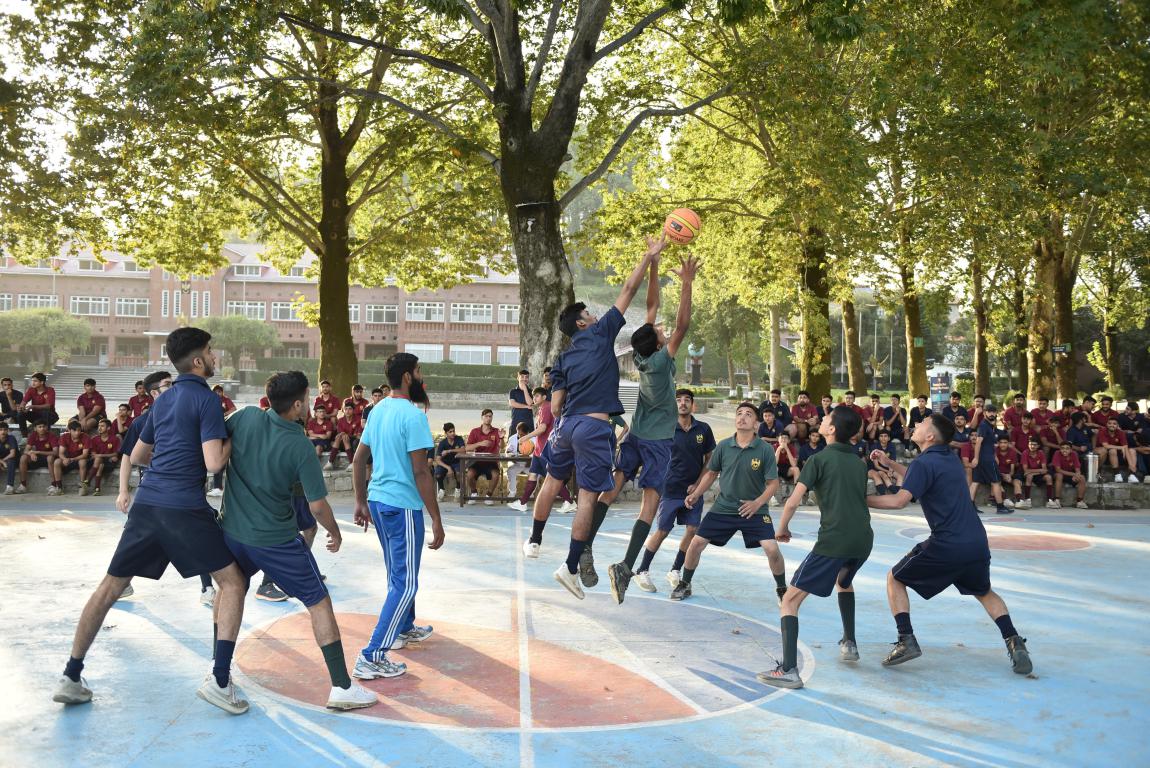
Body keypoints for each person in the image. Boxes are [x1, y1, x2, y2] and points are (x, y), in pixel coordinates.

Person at [52, 327, 251, 714]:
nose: (215, 357)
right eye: (211, 351)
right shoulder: (207, 401)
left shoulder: (162, 400)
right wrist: (234, 434)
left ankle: (71, 675)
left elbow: (141, 456)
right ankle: (220, 680)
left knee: (110, 587)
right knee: (233, 583)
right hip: (184, 508)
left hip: (147, 504)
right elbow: (214, 463)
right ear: (198, 361)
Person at [218, 371, 377, 710]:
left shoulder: (244, 417)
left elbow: (215, 442)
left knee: (230, 591)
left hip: (231, 532)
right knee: (319, 602)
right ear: (296, 405)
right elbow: (317, 506)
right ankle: (341, 686)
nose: (311, 402)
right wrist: (335, 531)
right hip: (275, 540)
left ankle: (218, 675)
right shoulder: (300, 446)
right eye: (307, 397)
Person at [536, 233, 665, 600]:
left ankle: (541, 540)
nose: (595, 315)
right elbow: (629, 290)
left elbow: (556, 406)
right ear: (582, 323)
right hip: (601, 427)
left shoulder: (565, 357)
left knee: (561, 484)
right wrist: (649, 257)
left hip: (571, 426)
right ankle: (574, 562)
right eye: (589, 314)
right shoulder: (604, 334)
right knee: (591, 497)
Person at [865, 414, 1033, 676]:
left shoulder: (923, 462)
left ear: (930, 436)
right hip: (976, 541)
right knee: (984, 592)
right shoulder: (950, 459)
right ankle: (1015, 642)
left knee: (894, 578)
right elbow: (917, 476)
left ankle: (906, 639)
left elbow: (899, 501)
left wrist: (859, 499)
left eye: (922, 424)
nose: (916, 425)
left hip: (947, 544)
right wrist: (890, 464)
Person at [602, 252, 697, 604]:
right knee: (649, 505)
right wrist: (686, 283)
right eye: (660, 332)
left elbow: (651, 306)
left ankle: (584, 547)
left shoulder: (642, 355)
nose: (662, 328)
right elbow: (683, 325)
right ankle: (626, 566)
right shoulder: (659, 360)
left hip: (636, 434)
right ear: (659, 344)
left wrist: (655, 264)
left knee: (612, 489)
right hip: (657, 441)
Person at [758, 405, 872, 689]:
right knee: (844, 582)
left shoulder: (818, 459)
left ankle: (789, 670)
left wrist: (782, 528)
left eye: (826, 418)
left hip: (834, 540)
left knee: (789, 601)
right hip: (863, 540)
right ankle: (850, 642)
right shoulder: (859, 463)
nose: (821, 419)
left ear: (831, 429)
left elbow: (793, 501)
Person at [350, 352, 445, 681]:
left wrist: (360, 501)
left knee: (397, 572)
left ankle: (403, 627)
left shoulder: (377, 410)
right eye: (418, 371)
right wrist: (436, 518)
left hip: (378, 502)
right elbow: (421, 472)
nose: (421, 376)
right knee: (405, 583)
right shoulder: (413, 416)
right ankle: (372, 655)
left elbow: (358, 460)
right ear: (407, 377)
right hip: (401, 505)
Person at [674, 401, 788, 604]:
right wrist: (697, 493)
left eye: (748, 414)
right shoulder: (724, 446)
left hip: (754, 510)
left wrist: (757, 503)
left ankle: (782, 589)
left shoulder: (764, 449)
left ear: (756, 424)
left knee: (772, 549)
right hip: (723, 508)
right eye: (739, 413)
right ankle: (685, 583)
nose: (742, 417)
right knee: (696, 543)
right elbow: (711, 473)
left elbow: (773, 484)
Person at [630, 388, 716, 592]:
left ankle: (675, 570)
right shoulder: (664, 428)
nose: (682, 403)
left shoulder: (703, 429)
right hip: (668, 489)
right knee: (662, 531)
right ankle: (642, 570)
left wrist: (698, 484)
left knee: (692, 530)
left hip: (693, 491)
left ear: (693, 405)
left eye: (687, 400)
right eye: (678, 400)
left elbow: (710, 459)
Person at [512, 387, 576, 516]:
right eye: (533, 396)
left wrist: (525, 437)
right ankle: (523, 503)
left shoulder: (546, 407)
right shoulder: (541, 409)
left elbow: (542, 429)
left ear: (544, 397)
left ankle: (569, 502)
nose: (534, 398)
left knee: (552, 478)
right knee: (533, 475)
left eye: (537, 396)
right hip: (539, 450)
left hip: (546, 449)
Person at [969, 404, 1013, 514]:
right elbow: (978, 442)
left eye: (993, 412)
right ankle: (1000, 507)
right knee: (996, 482)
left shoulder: (989, 426)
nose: (992, 414)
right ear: (984, 413)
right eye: (989, 412)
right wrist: (976, 458)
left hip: (986, 458)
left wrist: (994, 456)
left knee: (976, 481)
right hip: (986, 459)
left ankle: (969, 507)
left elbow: (989, 444)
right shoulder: (984, 426)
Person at [464, 409, 502, 505]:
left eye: (490, 416)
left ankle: (489, 495)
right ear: (482, 417)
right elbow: (467, 448)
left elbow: (502, 447)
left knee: (496, 475)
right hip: (477, 461)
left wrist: (501, 438)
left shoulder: (496, 431)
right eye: (486, 416)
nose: (488, 418)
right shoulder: (475, 431)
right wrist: (480, 443)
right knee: (469, 475)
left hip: (491, 462)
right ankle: (474, 493)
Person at [17, 421, 59, 495]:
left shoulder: (51, 436)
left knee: (50, 458)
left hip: (49, 458)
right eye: (40, 427)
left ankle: (54, 484)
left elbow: (55, 452)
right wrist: (31, 453)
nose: (42, 428)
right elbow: (25, 450)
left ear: (46, 427)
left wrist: (38, 452)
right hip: (37, 458)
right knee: (23, 457)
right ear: (35, 428)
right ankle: (23, 485)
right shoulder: (33, 435)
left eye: (44, 426)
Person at [1095, 416, 1140, 483]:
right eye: (1109, 423)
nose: (1112, 425)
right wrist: (1121, 447)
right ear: (1106, 424)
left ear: (1117, 425)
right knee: (1112, 450)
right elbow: (1106, 446)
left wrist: (1131, 464)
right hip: (1104, 454)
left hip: (1118, 455)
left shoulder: (1121, 433)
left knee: (1132, 451)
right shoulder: (1102, 431)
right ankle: (1117, 474)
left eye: (1114, 424)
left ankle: (1132, 475)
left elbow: (1125, 447)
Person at [55, 420, 91, 495]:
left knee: (82, 462)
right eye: (74, 431)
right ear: (69, 430)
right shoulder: (64, 437)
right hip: (68, 459)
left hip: (79, 459)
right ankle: (59, 487)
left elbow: (85, 455)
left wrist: (73, 459)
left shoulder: (85, 437)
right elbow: (60, 453)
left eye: (79, 430)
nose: (77, 433)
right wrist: (64, 459)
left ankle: (82, 486)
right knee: (57, 462)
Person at [87, 418, 121, 496]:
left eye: (102, 426)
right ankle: (97, 489)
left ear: (108, 428)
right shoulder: (94, 439)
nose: (99, 428)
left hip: (109, 463)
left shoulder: (115, 439)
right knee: (100, 463)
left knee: (99, 461)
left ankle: (88, 481)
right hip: (97, 463)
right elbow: (93, 454)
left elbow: (115, 454)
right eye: (99, 426)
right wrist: (104, 456)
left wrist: (101, 455)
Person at [1050, 441, 1088, 509]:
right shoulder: (1057, 453)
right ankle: (1057, 500)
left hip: (1069, 474)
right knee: (1059, 475)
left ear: (1071, 450)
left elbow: (1077, 469)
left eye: (1067, 448)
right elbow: (1058, 470)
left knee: (1082, 477)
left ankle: (1080, 501)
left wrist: (1077, 475)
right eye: (1062, 448)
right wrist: (1074, 474)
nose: (1064, 450)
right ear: (1060, 449)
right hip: (1057, 474)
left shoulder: (1074, 454)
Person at [433, 423, 465, 501]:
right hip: (445, 464)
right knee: (438, 474)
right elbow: (437, 459)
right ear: (446, 433)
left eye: (454, 431)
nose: (453, 433)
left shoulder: (459, 439)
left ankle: (458, 489)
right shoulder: (442, 443)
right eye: (450, 432)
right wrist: (448, 468)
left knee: (459, 473)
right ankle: (441, 490)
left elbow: (463, 450)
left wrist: (449, 451)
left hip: (457, 462)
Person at [1019, 437, 1053, 509]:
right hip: (1028, 475)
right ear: (1028, 445)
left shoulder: (1041, 453)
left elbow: (1044, 469)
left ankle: (1049, 501)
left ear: (1038, 446)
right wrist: (1039, 470)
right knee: (1029, 476)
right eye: (1030, 444)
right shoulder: (1025, 453)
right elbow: (1026, 470)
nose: (1032, 446)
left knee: (1049, 477)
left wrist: (1033, 472)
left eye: (1034, 445)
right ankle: (1027, 500)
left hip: (1038, 474)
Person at [329, 401, 362, 470]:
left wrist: (346, 434)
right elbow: (340, 433)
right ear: (343, 410)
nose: (347, 411)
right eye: (346, 409)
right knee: (339, 437)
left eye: (350, 409)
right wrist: (344, 434)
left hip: (354, 442)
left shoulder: (358, 420)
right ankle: (330, 462)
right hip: (344, 442)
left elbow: (358, 435)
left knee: (344, 437)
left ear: (353, 410)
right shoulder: (341, 420)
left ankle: (352, 463)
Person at [994, 435, 1023, 507]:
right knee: (996, 481)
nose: (1003, 445)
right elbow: (993, 468)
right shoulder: (994, 451)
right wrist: (1003, 475)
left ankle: (1019, 501)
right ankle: (1005, 500)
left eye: (1005, 442)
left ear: (1008, 443)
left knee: (1017, 481)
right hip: (998, 473)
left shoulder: (1012, 452)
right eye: (1001, 443)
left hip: (1009, 474)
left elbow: (1012, 470)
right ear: (998, 443)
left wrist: (1009, 475)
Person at [867, 430, 899, 494]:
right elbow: (876, 466)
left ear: (889, 438)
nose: (883, 438)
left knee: (900, 475)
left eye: (885, 436)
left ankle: (898, 493)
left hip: (887, 468)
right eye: (881, 436)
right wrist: (888, 471)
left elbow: (892, 461)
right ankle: (886, 494)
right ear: (879, 438)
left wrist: (890, 471)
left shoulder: (891, 446)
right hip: (875, 468)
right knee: (883, 475)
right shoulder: (875, 447)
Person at [508, 369, 535, 435]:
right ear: (518, 378)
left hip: (528, 423)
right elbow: (512, 403)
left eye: (526, 377)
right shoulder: (513, 391)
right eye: (522, 377)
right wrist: (526, 406)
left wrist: (525, 389)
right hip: (516, 422)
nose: (524, 379)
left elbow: (530, 403)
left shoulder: (532, 391)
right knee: (513, 441)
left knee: (530, 441)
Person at [0, 422, 19, 494]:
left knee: (11, 461)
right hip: (3, 460)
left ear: (8, 430)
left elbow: (12, 454)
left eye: (5, 430)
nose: (3, 432)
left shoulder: (11, 438)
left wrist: (3, 461)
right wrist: (2, 462)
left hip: (14, 459)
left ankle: (10, 487)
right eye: (0, 430)